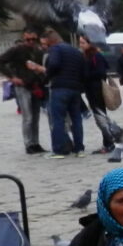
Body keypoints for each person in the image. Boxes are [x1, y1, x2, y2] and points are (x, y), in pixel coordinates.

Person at [0, 29, 47, 153]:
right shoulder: (16, 50)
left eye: (33, 39)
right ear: (24, 39)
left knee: (36, 117)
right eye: (28, 39)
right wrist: (12, 77)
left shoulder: (38, 51)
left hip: (35, 85)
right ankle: (28, 144)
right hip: (22, 86)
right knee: (28, 117)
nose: (31, 42)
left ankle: (35, 143)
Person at [39, 27, 88, 156]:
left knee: (58, 119)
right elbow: (83, 70)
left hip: (60, 88)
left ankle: (59, 150)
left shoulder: (56, 49)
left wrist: (47, 76)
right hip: (75, 89)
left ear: (51, 40)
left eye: (47, 43)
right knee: (76, 119)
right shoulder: (76, 51)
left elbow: (54, 65)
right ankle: (79, 149)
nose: (47, 46)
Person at [77, 34, 116, 154]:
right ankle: (109, 141)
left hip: (96, 91)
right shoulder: (85, 56)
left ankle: (109, 142)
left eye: (83, 42)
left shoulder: (95, 55)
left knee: (100, 117)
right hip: (90, 91)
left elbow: (101, 72)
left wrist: (86, 76)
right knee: (99, 117)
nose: (81, 45)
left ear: (89, 43)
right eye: (80, 43)